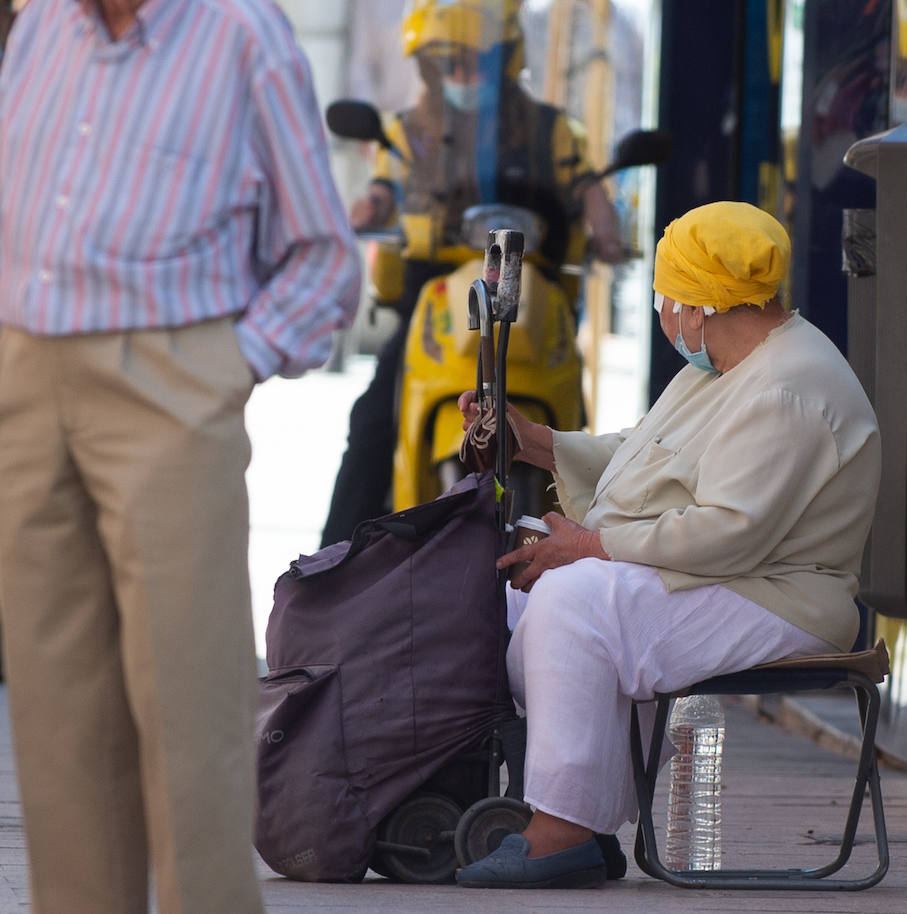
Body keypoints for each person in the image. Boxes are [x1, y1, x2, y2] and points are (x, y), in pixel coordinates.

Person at [0, 1, 361, 912]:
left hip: (169, 377)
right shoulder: (40, 23)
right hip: (25, 371)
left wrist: (219, 368)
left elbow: (324, 256)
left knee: (186, 699)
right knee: (55, 713)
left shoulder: (245, 33)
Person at [453, 201, 882, 889]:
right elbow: (644, 452)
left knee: (573, 601)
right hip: (734, 578)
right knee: (520, 603)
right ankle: (584, 824)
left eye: (663, 298)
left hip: (779, 598)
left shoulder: (788, 389)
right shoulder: (725, 366)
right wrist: (535, 443)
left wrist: (592, 546)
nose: (661, 315)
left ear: (695, 305)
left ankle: (561, 829)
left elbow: (729, 531)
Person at [320, 0, 623, 546]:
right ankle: (335, 571)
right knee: (370, 424)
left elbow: (586, 186)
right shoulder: (405, 132)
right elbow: (380, 191)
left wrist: (606, 222)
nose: (462, 76)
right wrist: (359, 213)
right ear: (429, 69)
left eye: (474, 62)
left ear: (505, 61)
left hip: (530, 289)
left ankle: (592, 544)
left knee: (579, 432)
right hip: (434, 297)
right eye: (447, 64)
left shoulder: (552, 131)